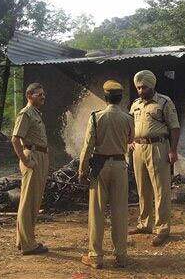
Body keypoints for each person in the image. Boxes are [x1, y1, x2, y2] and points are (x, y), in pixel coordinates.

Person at [78, 80, 134, 269]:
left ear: (105, 97)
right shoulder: (128, 118)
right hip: (119, 165)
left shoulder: (96, 117)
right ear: (120, 98)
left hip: (99, 166)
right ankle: (121, 256)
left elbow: (87, 147)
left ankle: (96, 257)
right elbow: (130, 140)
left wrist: (82, 170)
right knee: (120, 212)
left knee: (97, 212)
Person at [129, 70, 180, 247]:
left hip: (158, 147)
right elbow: (130, 125)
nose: (140, 91)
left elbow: (174, 127)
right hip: (138, 148)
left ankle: (162, 229)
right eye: (138, 87)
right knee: (142, 188)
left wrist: (173, 150)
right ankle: (144, 224)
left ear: (152, 86)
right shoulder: (135, 104)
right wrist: (130, 141)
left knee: (160, 189)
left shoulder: (164, 102)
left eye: (144, 87)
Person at [11, 83, 49, 255]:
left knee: (33, 200)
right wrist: (26, 160)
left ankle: (24, 240)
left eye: (43, 94)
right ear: (29, 95)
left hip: (39, 156)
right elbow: (15, 139)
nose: (42, 96)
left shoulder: (36, 113)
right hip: (32, 156)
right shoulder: (26, 113)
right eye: (39, 94)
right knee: (28, 201)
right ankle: (28, 244)